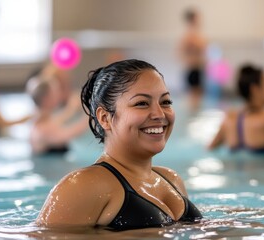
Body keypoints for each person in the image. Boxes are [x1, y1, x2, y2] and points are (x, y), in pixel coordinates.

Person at [36, 59, 202, 231]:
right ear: (105, 118)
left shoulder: (171, 179)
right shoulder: (82, 186)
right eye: (142, 103)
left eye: (165, 102)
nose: (159, 114)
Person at [27, 75, 89, 155]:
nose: (60, 94)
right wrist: (91, 114)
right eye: (55, 92)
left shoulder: (41, 118)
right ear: (46, 99)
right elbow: (72, 133)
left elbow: (60, 118)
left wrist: (72, 107)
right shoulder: (43, 129)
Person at [179, 8, 207, 111]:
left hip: (197, 70)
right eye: (197, 18)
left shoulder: (196, 36)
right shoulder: (189, 37)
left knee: (198, 98)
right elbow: (180, 53)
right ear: (192, 20)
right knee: (193, 99)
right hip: (192, 70)